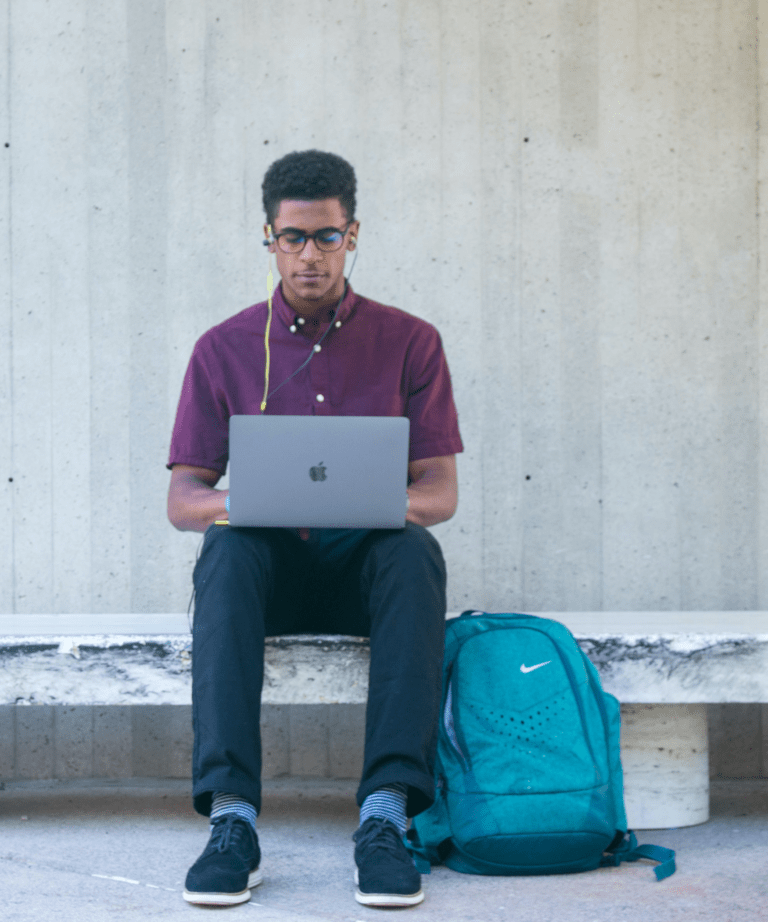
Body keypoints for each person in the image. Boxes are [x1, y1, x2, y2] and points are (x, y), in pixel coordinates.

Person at [166, 150, 463, 908]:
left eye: (326, 237)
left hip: (366, 575)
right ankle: (232, 821)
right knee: (226, 547)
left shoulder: (411, 341)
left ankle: (384, 818)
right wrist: (258, 502)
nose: (309, 255)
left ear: (352, 234)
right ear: (268, 238)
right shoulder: (222, 348)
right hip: (274, 580)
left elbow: (438, 493)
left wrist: (367, 503)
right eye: (293, 238)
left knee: (413, 551)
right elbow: (184, 500)